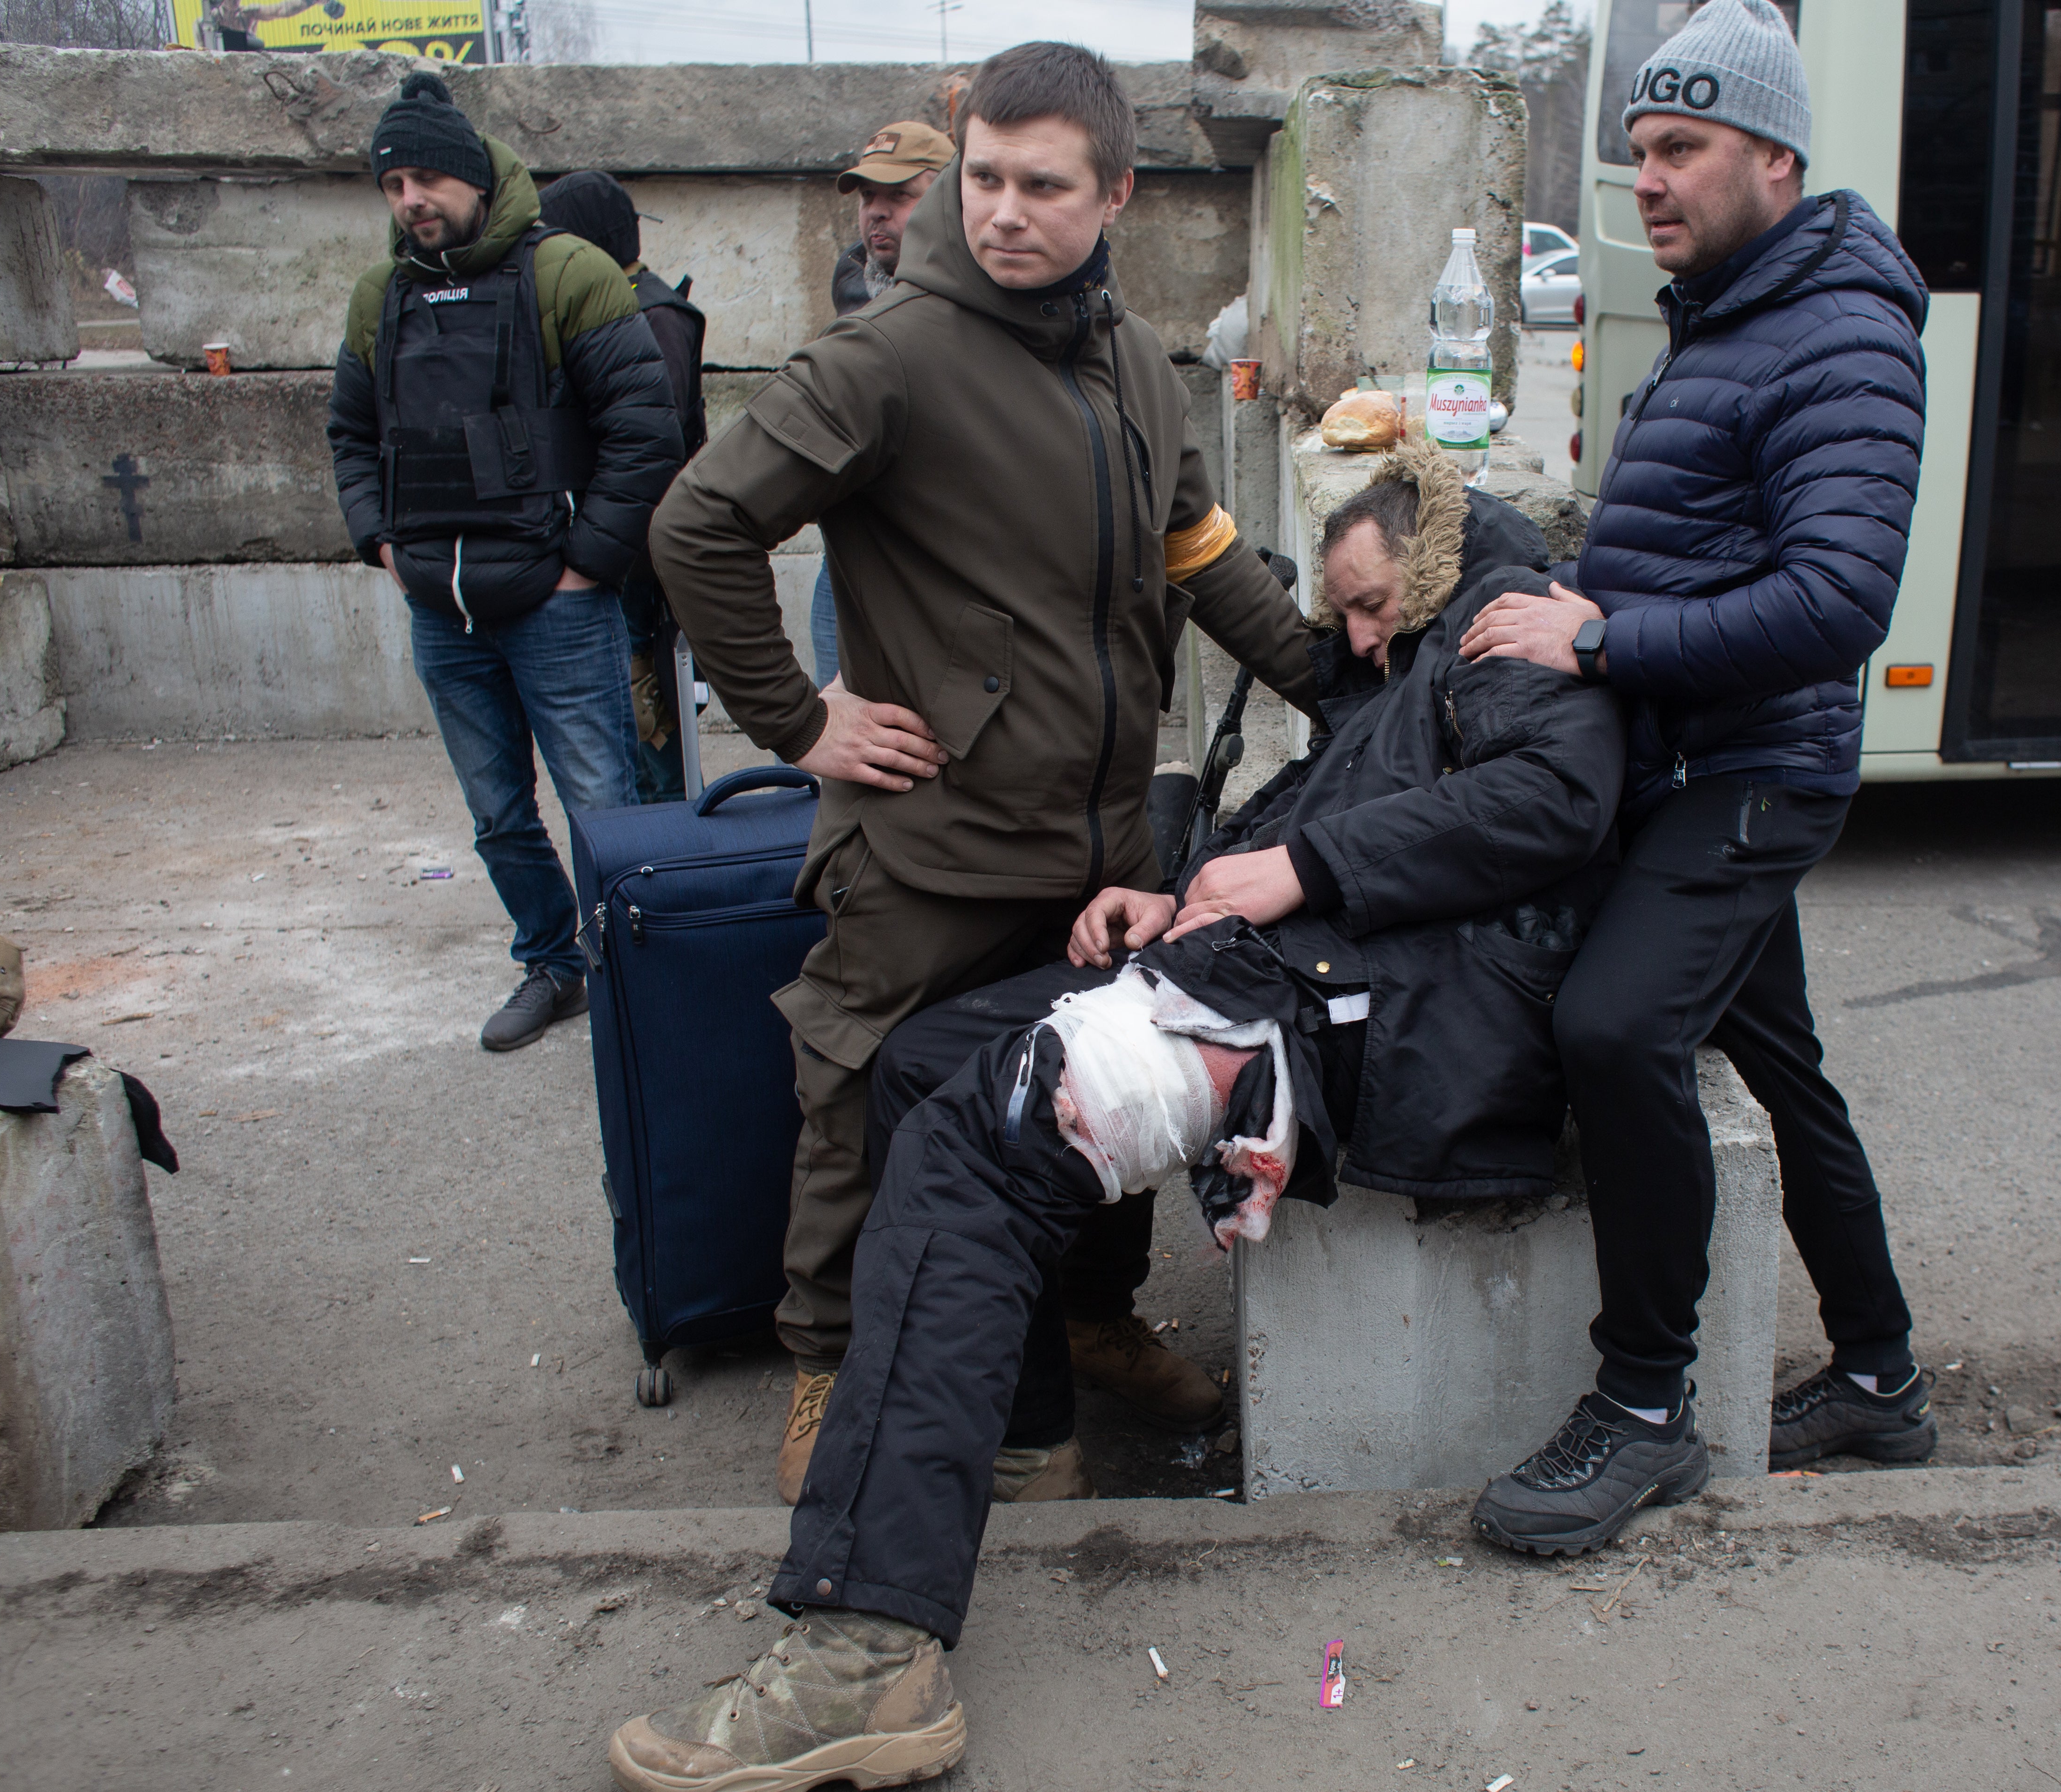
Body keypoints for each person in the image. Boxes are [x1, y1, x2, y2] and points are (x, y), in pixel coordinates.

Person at [605, 438, 1622, 1792]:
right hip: (1277, 972)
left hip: (1361, 1028)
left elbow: (1550, 802)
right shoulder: (1408, 660)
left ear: (1437, 573)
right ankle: (1028, 1447)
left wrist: (1288, 872)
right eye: (1344, 615)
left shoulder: (1501, 642)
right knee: (920, 1068)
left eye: (1376, 606)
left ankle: (868, 1644)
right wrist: (1184, 893)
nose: (1357, 640)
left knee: (985, 1130)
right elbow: (1332, 824)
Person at [648, 43, 1317, 1507]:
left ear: (1117, 194)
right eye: (986, 178)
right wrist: (796, 721)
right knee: (855, 1106)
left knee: (1095, 1102)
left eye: (1044, 185)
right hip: (929, 851)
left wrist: (1342, 676)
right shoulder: (890, 355)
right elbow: (699, 526)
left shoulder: (1136, 364)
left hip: (1096, 850)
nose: (1006, 211)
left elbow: (1197, 552)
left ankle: (1084, 1324)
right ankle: (831, 1362)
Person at [1457, 0, 1934, 1554]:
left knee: (1612, 1024)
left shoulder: (1843, 330)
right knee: (1784, 1065)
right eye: (1640, 151)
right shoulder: (1728, 307)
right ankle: (1880, 1377)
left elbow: (1837, 602)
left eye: (1683, 148)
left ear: (1775, 156)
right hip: (1693, 750)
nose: (1648, 179)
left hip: (1752, 769)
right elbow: (1683, 545)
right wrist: (1550, 582)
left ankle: (1645, 1407)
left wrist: (1598, 644)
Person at [326, 73, 684, 1052]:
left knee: (604, 807)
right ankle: (554, 963)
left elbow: (645, 434)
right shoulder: (380, 298)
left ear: (477, 177)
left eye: (429, 176)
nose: (412, 199)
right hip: (442, 609)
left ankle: (639, 981)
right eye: (394, 182)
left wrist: (589, 567)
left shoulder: (567, 273)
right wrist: (384, 545)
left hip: (558, 606)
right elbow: (352, 436)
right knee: (496, 816)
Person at [539, 169, 708, 803]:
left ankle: (669, 853)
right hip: (621, 546)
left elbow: (648, 441)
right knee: (634, 715)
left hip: (640, 552)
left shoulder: (652, 312)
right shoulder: (623, 304)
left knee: (652, 718)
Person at [810, 119, 954, 688]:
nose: (877, 211)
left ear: (949, 199)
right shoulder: (852, 306)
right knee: (843, 739)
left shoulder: (990, 303)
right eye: (869, 196)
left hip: (942, 572)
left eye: (900, 196)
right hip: (846, 567)